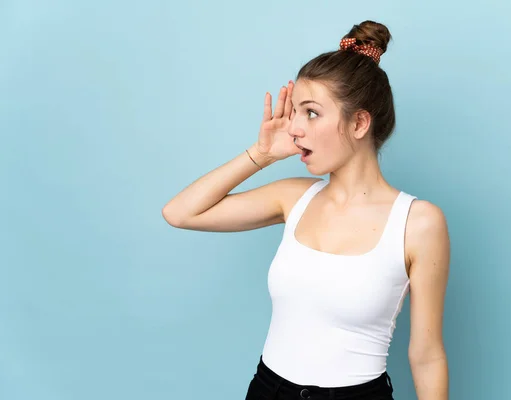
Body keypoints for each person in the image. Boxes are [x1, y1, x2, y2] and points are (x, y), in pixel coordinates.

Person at [162, 20, 450, 400]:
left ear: (360, 122)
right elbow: (181, 213)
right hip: (268, 391)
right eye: (295, 111)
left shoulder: (419, 223)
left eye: (311, 112)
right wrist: (261, 154)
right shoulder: (293, 198)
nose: (294, 127)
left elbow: (426, 354)